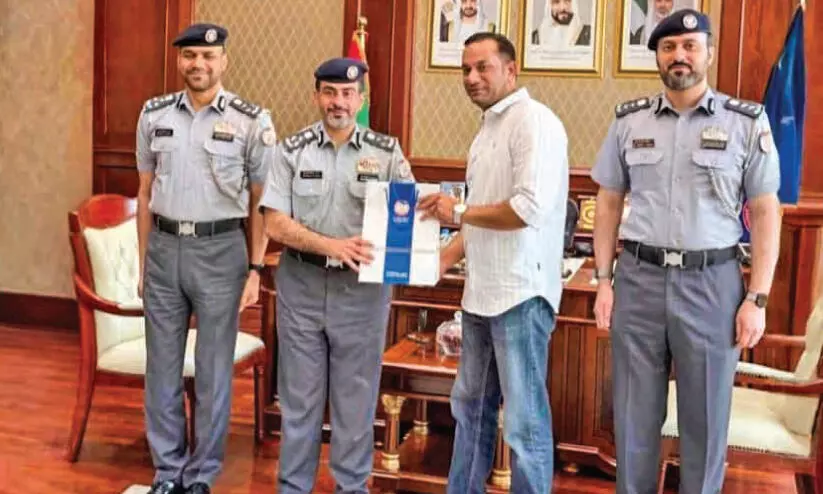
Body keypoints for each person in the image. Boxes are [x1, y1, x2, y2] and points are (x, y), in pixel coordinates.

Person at [591, 10, 780, 494]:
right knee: (633, 419)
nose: (680, 55)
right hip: (639, 280)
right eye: (669, 46)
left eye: (690, 46)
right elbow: (608, 201)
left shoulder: (745, 122)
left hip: (712, 283)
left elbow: (765, 211)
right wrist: (603, 280)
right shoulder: (629, 121)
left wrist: (757, 297)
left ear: (709, 54)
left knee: (705, 423)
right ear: (658, 56)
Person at [418, 32, 569, 494]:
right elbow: (477, 220)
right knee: (469, 410)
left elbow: (527, 208)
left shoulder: (534, 121)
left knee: (523, 424)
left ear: (511, 69)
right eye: (465, 69)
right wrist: (439, 260)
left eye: (482, 67)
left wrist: (459, 211)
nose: (471, 77)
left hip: (520, 295)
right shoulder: (486, 130)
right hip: (480, 296)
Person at [258, 57, 414, 494]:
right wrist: (332, 246)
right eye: (329, 93)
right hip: (302, 287)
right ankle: (293, 488)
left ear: (360, 100)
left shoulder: (387, 153)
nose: (338, 102)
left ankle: (351, 488)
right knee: (299, 401)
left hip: (361, 293)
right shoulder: (291, 151)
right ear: (316, 97)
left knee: (355, 402)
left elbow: (407, 219)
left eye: (347, 94)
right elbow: (274, 223)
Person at [135, 23, 274, 494]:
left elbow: (260, 202)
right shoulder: (153, 114)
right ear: (179, 60)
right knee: (162, 368)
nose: (198, 64)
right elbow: (144, 191)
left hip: (221, 252)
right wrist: (143, 263)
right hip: (164, 249)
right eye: (190, 55)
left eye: (208, 56)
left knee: (213, 371)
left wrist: (255, 268)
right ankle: (167, 471)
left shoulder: (250, 121)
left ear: (224, 61)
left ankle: (201, 475)